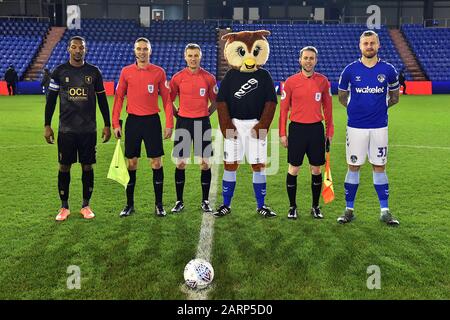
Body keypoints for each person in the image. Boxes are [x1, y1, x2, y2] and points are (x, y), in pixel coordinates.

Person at [44, 36, 111, 221]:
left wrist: (107, 124)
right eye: (74, 47)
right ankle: (64, 207)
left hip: (88, 130)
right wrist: (47, 125)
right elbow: (50, 101)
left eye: (81, 47)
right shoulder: (59, 71)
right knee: (64, 166)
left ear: (85, 50)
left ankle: (86, 205)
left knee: (87, 166)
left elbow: (103, 100)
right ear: (69, 49)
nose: (78, 50)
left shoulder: (94, 72)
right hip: (66, 130)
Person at [337, 30, 400, 226]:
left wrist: (379, 108)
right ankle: (349, 210)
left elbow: (395, 97)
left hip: (379, 126)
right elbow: (341, 96)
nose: (369, 46)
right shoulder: (350, 70)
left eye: (372, 43)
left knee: (379, 166)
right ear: (360, 46)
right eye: (366, 43)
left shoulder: (388, 70)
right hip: (356, 127)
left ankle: (385, 211)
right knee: (353, 166)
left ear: (378, 45)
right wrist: (356, 109)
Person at [213, 30, 278, 218]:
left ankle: (261, 205)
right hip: (234, 125)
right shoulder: (231, 76)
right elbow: (221, 101)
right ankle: (226, 204)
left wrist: (263, 124)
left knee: (258, 165)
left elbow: (271, 102)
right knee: (230, 164)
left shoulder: (264, 76)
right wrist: (226, 125)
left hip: (256, 126)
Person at [112, 37, 173, 218]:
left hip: (152, 122)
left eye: (145, 49)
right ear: (134, 51)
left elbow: (167, 100)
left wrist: (169, 124)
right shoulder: (126, 72)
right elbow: (119, 98)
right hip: (133, 122)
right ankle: (129, 204)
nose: (142, 52)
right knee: (132, 163)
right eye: (139, 49)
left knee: (156, 162)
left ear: (150, 51)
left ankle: (159, 205)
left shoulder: (159, 72)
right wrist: (116, 122)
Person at [279, 46, 334, 220]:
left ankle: (315, 206)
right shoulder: (290, 82)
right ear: (300, 60)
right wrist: (282, 133)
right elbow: (283, 109)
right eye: (306, 58)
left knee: (316, 169)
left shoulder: (323, 81)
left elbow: (328, 108)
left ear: (315, 61)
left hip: (316, 129)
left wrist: (329, 130)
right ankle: (292, 206)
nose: (308, 61)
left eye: (311, 58)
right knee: (293, 169)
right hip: (296, 129)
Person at [169, 43, 218, 213]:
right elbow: (169, 100)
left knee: (205, 163)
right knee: (181, 163)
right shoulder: (177, 78)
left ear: (200, 56)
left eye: (196, 55)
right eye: (190, 55)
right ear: (185, 57)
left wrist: (205, 114)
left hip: (202, 123)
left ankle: (205, 200)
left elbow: (216, 101)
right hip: (183, 123)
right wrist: (178, 115)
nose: (193, 58)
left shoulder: (209, 78)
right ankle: (179, 201)